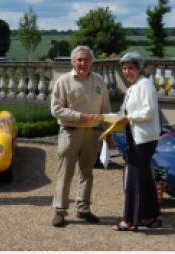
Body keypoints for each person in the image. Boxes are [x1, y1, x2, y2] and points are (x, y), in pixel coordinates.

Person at [50, 45, 111, 227]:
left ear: (92, 62)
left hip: (93, 134)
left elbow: (105, 109)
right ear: (73, 62)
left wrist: (108, 132)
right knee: (65, 173)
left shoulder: (99, 81)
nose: (83, 63)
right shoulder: (63, 81)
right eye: (79, 60)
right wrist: (81, 117)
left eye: (86, 60)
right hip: (70, 132)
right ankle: (60, 211)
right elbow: (56, 110)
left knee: (87, 173)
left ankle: (83, 209)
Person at [113, 52, 161, 231]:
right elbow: (124, 111)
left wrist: (128, 118)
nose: (126, 71)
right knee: (144, 178)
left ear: (139, 68)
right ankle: (151, 216)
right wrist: (111, 118)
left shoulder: (145, 84)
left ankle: (130, 220)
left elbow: (149, 111)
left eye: (130, 68)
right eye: (124, 68)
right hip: (136, 138)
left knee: (134, 178)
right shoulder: (134, 87)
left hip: (144, 139)